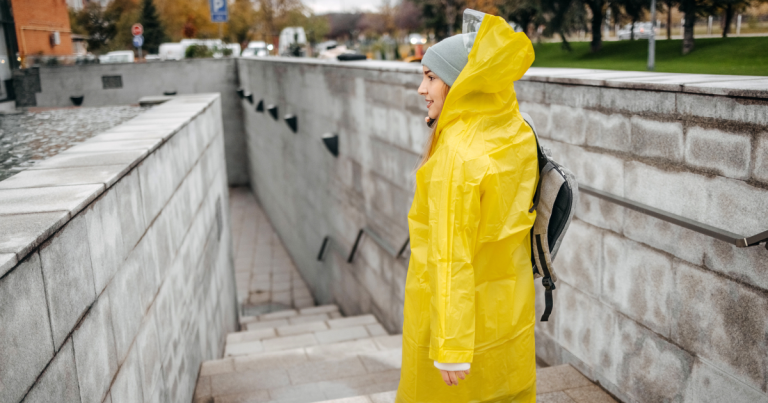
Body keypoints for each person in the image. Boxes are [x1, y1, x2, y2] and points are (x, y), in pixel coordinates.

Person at [395, 10, 539, 403]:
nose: (421, 90)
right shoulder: (514, 130)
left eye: (430, 77)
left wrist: (451, 348)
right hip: (508, 309)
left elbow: (449, 257)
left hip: (458, 321)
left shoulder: (456, 157)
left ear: (462, 83)